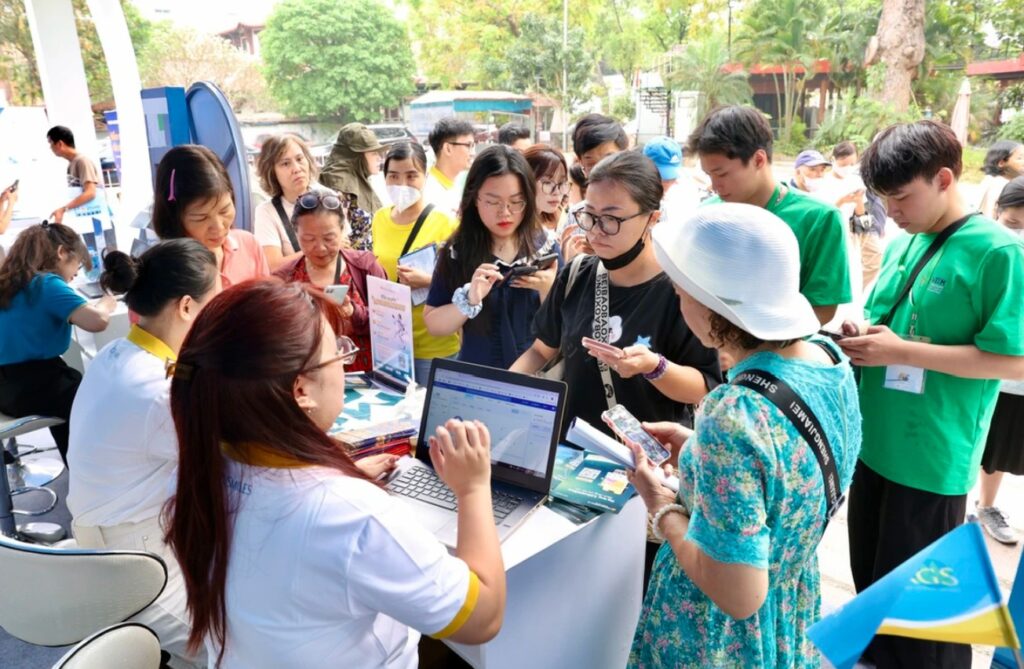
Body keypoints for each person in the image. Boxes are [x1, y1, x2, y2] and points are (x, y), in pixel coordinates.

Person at [164, 280, 506, 667]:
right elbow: (484, 617)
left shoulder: (206, 464)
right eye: (338, 354)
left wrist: (336, 474)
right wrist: (473, 489)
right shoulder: (353, 518)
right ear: (300, 390)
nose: (344, 363)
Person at [628, 202, 861, 669]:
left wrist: (662, 507)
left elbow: (737, 595)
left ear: (712, 305)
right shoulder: (829, 359)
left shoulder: (734, 415)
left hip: (716, 636)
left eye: (682, 293)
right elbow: (785, 472)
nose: (679, 303)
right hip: (790, 603)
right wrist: (697, 451)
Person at [837, 120, 1024, 669]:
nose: (891, 211)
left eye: (902, 197)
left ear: (944, 179)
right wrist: (863, 336)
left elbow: (1013, 359)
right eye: (884, 199)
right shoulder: (906, 241)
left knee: (924, 629)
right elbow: (890, 322)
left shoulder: (997, 252)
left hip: (932, 458)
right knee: (874, 598)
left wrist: (903, 352)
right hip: (874, 445)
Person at [67, 239, 220, 668]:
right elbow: (240, 460)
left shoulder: (119, 352)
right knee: (241, 646)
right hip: (137, 565)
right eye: (217, 303)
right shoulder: (156, 392)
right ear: (187, 306)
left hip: (119, 541)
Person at [511, 150, 721, 436]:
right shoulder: (576, 274)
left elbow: (703, 387)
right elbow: (541, 350)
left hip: (644, 455)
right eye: (589, 215)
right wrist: (500, 393)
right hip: (571, 450)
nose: (596, 231)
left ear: (652, 218)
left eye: (611, 219)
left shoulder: (682, 291)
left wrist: (655, 367)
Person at [688, 105, 851, 325]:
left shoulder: (819, 219)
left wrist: (756, 341)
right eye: (709, 175)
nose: (715, 186)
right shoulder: (707, 215)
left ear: (758, 160)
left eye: (722, 174)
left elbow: (822, 308)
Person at [424, 145, 561, 369]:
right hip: (478, 377)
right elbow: (434, 324)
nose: (505, 212)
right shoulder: (458, 252)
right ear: (474, 198)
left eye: (516, 202)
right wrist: (468, 301)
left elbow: (565, 327)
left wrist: (548, 291)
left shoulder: (546, 247)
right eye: (492, 201)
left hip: (534, 376)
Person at [0, 222, 115, 462]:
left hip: (5, 390)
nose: (76, 275)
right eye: (78, 264)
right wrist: (106, 302)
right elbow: (98, 321)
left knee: (69, 389)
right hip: (31, 386)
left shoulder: (8, 283)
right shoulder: (46, 284)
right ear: (62, 252)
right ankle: (87, 469)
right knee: (91, 396)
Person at [371, 141, 460, 384]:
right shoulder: (379, 219)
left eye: (411, 176)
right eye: (393, 176)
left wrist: (430, 281)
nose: (402, 184)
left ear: (425, 176)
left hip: (433, 344)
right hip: (391, 344)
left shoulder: (445, 223)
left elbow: (466, 285)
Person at [275, 191, 386, 373]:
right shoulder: (284, 279)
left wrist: (354, 313)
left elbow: (390, 326)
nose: (320, 248)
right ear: (296, 234)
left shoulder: (366, 267)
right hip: (309, 379)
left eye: (329, 238)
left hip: (366, 379)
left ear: (342, 230)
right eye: (309, 239)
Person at [972, 176, 1024, 546]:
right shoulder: (988, 249)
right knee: (992, 448)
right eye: (1013, 223)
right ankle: (984, 505)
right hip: (997, 374)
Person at [151, 145, 269, 289]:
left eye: (224, 210)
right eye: (201, 218)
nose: (219, 227)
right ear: (174, 217)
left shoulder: (248, 245)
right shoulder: (163, 273)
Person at [561, 114, 629, 261]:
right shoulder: (575, 216)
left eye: (609, 160)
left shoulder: (650, 211)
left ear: (625, 157)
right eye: (591, 164)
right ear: (581, 165)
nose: (601, 171)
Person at [253, 133, 321, 270]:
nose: (297, 169)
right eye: (285, 163)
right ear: (272, 172)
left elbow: (345, 246)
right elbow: (273, 266)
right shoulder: (266, 212)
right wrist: (319, 250)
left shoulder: (327, 197)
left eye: (300, 159)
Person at [319, 123, 384, 250]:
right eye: (373, 153)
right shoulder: (340, 185)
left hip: (368, 259)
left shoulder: (358, 177)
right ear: (357, 157)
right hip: (352, 261)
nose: (379, 158)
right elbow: (337, 239)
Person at [833, 141, 886, 290]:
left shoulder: (856, 180)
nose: (848, 168)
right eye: (844, 164)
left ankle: (855, 290)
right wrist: (842, 201)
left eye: (852, 164)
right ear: (834, 160)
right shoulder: (825, 182)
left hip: (855, 224)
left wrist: (858, 201)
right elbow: (825, 213)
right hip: (836, 227)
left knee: (876, 256)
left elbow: (861, 212)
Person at [46, 125, 103, 224]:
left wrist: (63, 209)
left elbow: (90, 192)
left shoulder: (82, 161)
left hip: (96, 221)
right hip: (86, 218)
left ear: (60, 144)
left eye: (50, 143)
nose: (50, 147)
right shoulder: (72, 163)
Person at [424, 117, 477, 218]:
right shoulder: (430, 192)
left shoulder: (452, 184)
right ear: (448, 148)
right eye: (468, 146)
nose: (473, 153)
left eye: (473, 146)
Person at [642, 136, 700, 224]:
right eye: (663, 177)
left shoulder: (686, 193)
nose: (669, 183)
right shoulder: (632, 197)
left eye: (673, 178)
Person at [523, 144, 569, 231]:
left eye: (561, 183)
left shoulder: (558, 221)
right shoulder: (512, 228)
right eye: (547, 182)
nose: (556, 192)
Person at [977, 139, 1024, 219]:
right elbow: (990, 214)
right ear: (1001, 163)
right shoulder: (999, 186)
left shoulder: (992, 179)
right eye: (1020, 158)